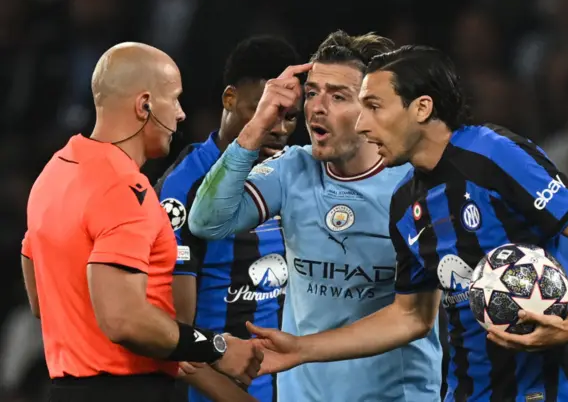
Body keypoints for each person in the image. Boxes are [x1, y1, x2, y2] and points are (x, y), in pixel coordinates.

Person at [243, 45, 568, 401]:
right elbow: (410, 316)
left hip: (551, 387)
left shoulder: (495, 155)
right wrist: (302, 349)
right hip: (470, 391)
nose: (361, 125)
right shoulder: (406, 203)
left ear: (422, 108)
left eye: (374, 107)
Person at [188, 31, 443, 402]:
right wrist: (257, 124)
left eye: (338, 97)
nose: (316, 108)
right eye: (311, 93)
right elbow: (206, 221)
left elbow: (416, 319)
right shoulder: (292, 169)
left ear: (373, 107)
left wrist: (303, 348)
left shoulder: (413, 185)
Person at [20, 42, 262, 402]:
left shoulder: (54, 172)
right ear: (144, 105)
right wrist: (219, 348)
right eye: (175, 99)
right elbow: (125, 320)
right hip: (128, 390)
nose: (180, 114)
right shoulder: (123, 188)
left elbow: (42, 301)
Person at [154, 35, 300, 402]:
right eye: (262, 109)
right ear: (229, 99)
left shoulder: (297, 175)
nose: (279, 128)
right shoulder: (184, 188)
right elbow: (177, 335)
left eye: (289, 116)